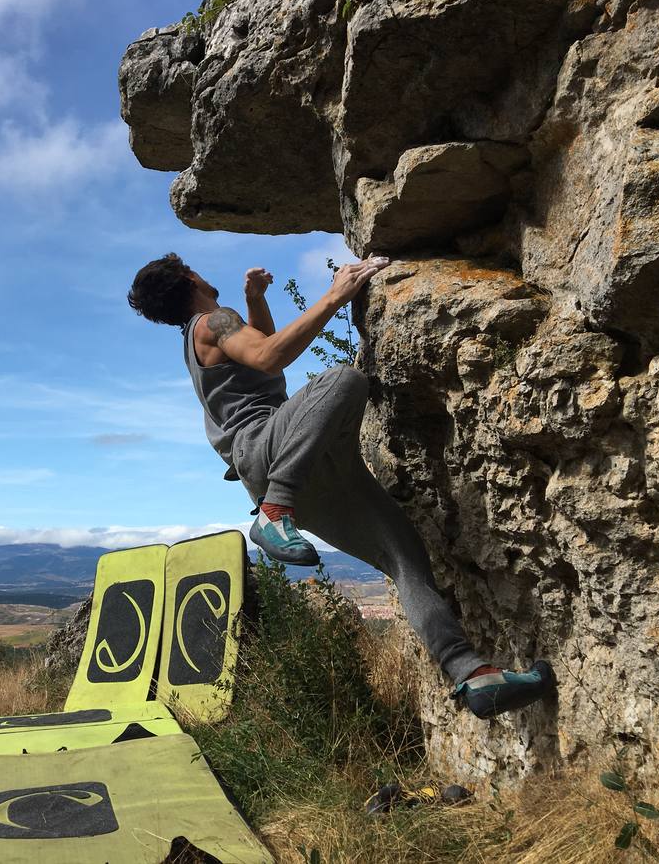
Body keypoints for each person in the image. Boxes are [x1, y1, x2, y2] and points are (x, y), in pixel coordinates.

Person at [127, 252, 553, 719]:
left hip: (296, 462)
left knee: (405, 559)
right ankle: (276, 512)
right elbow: (271, 358)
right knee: (343, 380)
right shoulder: (213, 320)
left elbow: (261, 353)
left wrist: (256, 301)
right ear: (190, 276)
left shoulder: (200, 337)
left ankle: (471, 673)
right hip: (270, 452)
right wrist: (335, 295)